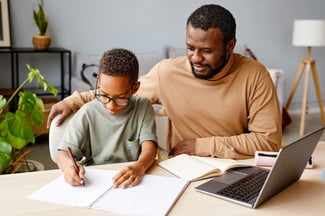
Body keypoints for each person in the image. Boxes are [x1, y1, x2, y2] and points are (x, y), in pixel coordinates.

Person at [48, 4, 282, 159]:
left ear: (230, 45)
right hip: (184, 167)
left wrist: (203, 146)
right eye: (190, 48)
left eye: (207, 50)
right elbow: (122, 92)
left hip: (238, 166)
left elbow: (269, 141)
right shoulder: (167, 73)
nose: (195, 58)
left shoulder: (254, 75)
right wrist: (74, 100)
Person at [55, 48, 158, 187]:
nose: (110, 106)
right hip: (93, 182)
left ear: (135, 88)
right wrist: (68, 167)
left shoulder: (143, 107)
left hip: (129, 181)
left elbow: (149, 148)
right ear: (98, 83)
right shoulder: (87, 113)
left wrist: (139, 166)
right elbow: (62, 154)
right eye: (103, 95)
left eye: (121, 98)